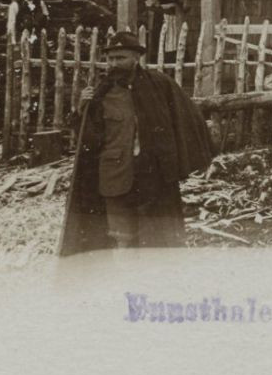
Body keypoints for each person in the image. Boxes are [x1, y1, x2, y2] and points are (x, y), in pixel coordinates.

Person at [58, 30, 215, 255]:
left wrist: (180, 160)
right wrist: (82, 109)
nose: (114, 64)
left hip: (153, 174)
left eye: (120, 58)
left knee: (157, 235)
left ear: (136, 58)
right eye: (110, 59)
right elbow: (90, 139)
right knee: (121, 236)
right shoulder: (101, 93)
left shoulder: (160, 85)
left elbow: (188, 117)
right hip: (115, 175)